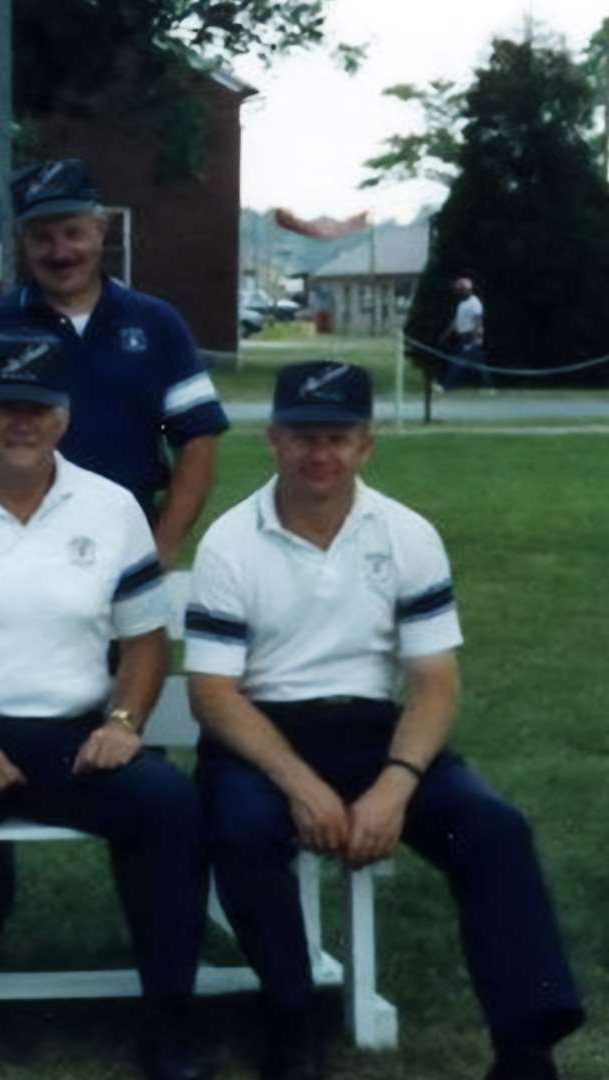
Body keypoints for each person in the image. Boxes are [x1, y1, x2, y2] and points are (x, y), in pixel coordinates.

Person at [186, 362, 581, 1080]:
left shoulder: (407, 534)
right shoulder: (230, 542)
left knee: (494, 829)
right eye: (304, 437)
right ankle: (291, 1018)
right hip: (259, 736)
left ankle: (527, 1045)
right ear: (273, 439)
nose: (320, 455)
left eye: (338, 438)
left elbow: (434, 683)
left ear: (367, 445)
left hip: (373, 734)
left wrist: (396, 785)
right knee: (242, 829)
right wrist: (301, 785)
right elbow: (212, 693)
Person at [0, 337, 210, 1080]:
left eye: (39, 408)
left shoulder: (111, 505)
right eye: (4, 408)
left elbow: (147, 643)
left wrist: (124, 727)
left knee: (167, 806)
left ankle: (170, 1027)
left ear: (65, 416)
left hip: (77, 736)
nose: (21, 423)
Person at [0, 157, 228, 568]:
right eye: (43, 238)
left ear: (101, 230)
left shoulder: (158, 324)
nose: (61, 252)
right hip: (10, 545)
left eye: (73, 233)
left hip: (124, 541)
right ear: (22, 240)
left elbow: (198, 440)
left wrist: (162, 546)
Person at [436, 275, 495, 392]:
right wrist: (445, 334)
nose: (458, 292)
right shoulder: (462, 304)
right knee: (480, 364)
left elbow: (478, 321)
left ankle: (446, 386)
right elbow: (456, 321)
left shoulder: (475, 303)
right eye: (458, 290)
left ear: (467, 290)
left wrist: (477, 338)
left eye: (460, 290)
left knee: (457, 362)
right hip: (463, 336)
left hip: (470, 337)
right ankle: (489, 387)